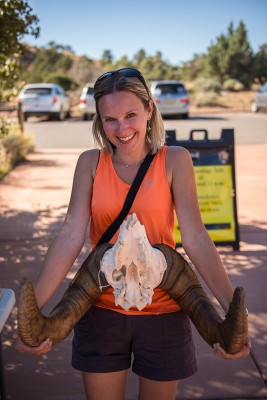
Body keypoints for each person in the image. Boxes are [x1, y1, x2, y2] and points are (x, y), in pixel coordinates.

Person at [15, 68, 250, 400]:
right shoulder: (89, 163)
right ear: (99, 120)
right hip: (101, 310)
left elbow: (195, 236)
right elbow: (70, 234)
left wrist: (231, 316)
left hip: (164, 313)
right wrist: (33, 314)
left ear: (149, 109)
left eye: (130, 115)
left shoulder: (176, 160)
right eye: (110, 119)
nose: (121, 128)